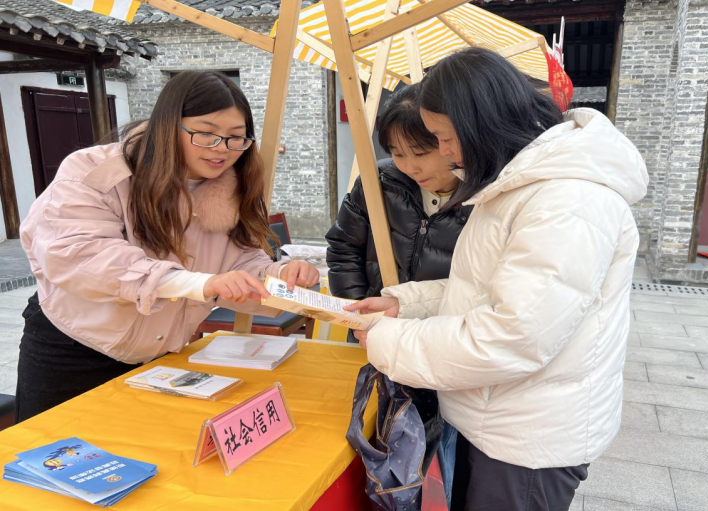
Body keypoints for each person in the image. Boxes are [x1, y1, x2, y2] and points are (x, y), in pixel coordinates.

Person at [346, 48, 648, 510]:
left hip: (527, 440)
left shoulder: (567, 201)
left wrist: (391, 341)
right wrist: (406, 306)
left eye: (445, 138)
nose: (445, 153)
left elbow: (514, 335)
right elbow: (485, 289)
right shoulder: (519, 183)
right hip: (498, 418)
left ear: (481, 122)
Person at [16, 71, 319, 422]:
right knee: (51, 451)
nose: (222, 148)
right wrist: (197, 283)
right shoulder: (99, 172)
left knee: (143, 451)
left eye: (236, 137)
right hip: (72, 350)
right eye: (206, 134)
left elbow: (242, 261)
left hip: (159, 357)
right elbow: (81, 256)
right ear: (167, 125)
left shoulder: (233, 186)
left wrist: (280, 275)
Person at [326, 83, 470, 505]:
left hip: (441, 353)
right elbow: (343, 247)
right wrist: (358, 315)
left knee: (440, 463)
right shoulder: (379, 182)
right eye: (397, 152)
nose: (409, 166)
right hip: (377, 341)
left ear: (451, 141)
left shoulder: (482, 199)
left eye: (421, 152)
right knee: (382, 454)